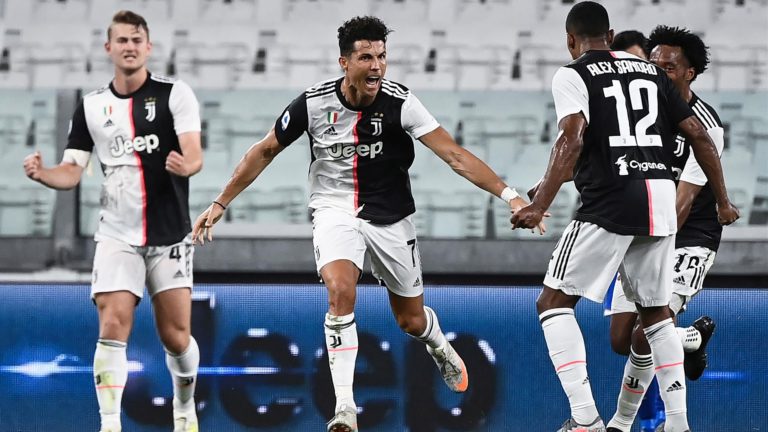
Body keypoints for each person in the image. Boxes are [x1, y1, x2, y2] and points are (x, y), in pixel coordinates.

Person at [191, 15, 543, 432]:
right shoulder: (313, 104)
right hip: (334, 209)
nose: (376, 66)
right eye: (366, 57)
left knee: (410, 321)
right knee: (341, 290)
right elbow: (265, 150)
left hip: (391, 217)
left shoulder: (401, 102)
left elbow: (455, 155)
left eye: (381, 56)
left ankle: (436, 342)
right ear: (344, 62)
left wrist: (511, 194)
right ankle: (344, 408)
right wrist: (221, 202)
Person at [510, 2, 739, 432]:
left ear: (570, 39)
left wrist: (541, 203)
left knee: (552, 302)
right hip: (659, 197)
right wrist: (725, 200)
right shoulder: (649, 71)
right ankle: (677, 424)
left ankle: (585, 420)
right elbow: (698, 136)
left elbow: (572, 137)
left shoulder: (572, 73)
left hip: (611, 200)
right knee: (654, 316)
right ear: (611, 35)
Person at [22, 10, 203, 432]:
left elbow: (194, 153)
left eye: (136, 40)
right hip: (117, 233)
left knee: (176, 337)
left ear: (148, 47)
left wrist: (187, 165)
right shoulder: (91, 106)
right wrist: (43, 173)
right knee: (112, 323)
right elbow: (72, 170)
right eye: (121, 40)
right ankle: (109, 423)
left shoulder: (176, 95)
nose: (129, 47)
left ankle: (184, 405)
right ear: (109, 48)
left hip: (169, 233)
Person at [605, 26, 725, 432]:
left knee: (645, 332)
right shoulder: (642, 114)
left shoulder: (706, 125)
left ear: (689, 73)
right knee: (621, 339)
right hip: (644, 228)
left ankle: (622, 424)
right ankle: (688, 338)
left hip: (689, 234)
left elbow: (685, 200)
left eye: (668, 67)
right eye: (652, 64)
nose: (657, 72)